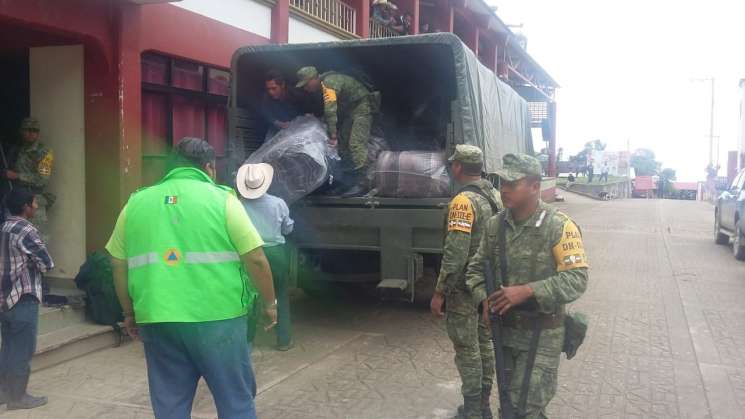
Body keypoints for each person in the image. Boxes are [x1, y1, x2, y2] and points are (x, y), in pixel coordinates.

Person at [106, 137, 277, 419]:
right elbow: (256, 258)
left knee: (170, 405)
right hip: (219, 319)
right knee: (235, 401)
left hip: (158, 319)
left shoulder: (135, 203)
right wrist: (270, 303)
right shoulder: (223, 200)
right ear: (209, 167)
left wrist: (129, 312)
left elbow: (117, 262)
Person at [465, 153, 589, 418]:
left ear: (535, 186)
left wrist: (529, 290)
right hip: (504, 334)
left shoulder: (559, 226)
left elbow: (577, 279)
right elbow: (475, 269)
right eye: (502, 182)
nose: (504, 189)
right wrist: (482, 300)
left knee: (527, 409)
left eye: (512, 183)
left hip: (542, 336)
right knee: (509, 406)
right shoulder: (494, 226)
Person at [430, 145, 502, 419]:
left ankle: (472, 411)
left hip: (464, 288)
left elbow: (456, 253)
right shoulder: (494, 195)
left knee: (466, 348)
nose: (451, 168)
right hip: (488, 285)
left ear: (459, 167)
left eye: (453, 164)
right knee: (484, 344)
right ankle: (482, 406)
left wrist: (440, 291)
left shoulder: (463, 202)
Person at [0, 188, 54, 410]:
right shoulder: (26, 229)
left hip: (5, 297)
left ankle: (4, 393)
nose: (36, 206)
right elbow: (46, 262)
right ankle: (18, 397)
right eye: (34, 203)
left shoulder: (4, 226)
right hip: (24, 295)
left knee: (8, 347)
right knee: (22, 349)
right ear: (25, 207)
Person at [237, 163, 295, 351]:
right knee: (280, 295)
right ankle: (283, 340)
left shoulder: (238, 205)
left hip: (249, 252)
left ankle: (249, 340)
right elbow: (288, 228)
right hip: (276, 253)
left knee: (251, 296)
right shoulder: (278, 203)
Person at [296, 66, 378, 197]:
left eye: (306, 84)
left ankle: (365, 183)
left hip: (362, 107)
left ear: (314, 79)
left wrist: (333, 135)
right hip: (352, 111)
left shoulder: (329, 84)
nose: (306, 88)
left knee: (356, 144)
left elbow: (330, 111)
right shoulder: (324, 84)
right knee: (343, 144)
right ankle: (349, 181)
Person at [6, 118, 54, 242]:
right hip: (16, 200)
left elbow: (42, 179)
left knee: (37, 240)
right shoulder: (16, 150)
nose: (31, 133)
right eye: (28, 130)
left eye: (35, 130)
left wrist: (17, 176)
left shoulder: (44, 152)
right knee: (14, 239)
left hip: (34, 201)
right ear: (22, 132)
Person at [260, 70, 304, 140]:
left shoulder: (294, 95)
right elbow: (266, 113)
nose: (270, 92)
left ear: (282, 85)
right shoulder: (267, 98)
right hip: (276, 128)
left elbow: (304, 112)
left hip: (296, 127)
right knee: (268, 144)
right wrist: (278, 123)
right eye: (268, 89)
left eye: (274, 88)